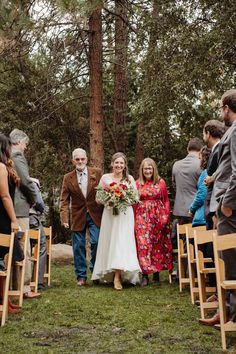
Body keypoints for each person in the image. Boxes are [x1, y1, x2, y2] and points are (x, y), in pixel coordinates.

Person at [199, 89, 236, 326]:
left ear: (226, 108)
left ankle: (233, 316)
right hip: (227, 205)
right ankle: (228, 311)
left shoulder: (235, 132)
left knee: (230, 260)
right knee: (227, 260)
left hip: (230, 208)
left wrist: (226, 204)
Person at [92, 152, 141, 290]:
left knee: (122, 243)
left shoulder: (129, 179)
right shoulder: (105, 178)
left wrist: (123, 197)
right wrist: (110, 198)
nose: (119, 165)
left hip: (125, 215)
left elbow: (135, 198)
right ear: (112, 164)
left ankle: (118, 276)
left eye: (121, 163)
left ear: (125, 165)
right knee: (110, 242)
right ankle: (110, 273)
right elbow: (98, 198)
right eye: (116, 162)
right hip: (110, 215)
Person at [60, 148, 103, 286]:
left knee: (96, 242)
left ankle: (96, 272)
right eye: (77, 159)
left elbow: (104, 192)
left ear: (86, 159)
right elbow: (64, 200)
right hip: (77, 215)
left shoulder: (97, 173)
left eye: (82, 159)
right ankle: (81, 276)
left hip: (95, 213)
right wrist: (64, 218)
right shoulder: (68, 177)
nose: (80, 161)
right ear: (73, 161)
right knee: (78, 246)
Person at [10, 128, 40, 299]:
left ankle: (14, 285)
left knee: (14, 247)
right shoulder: (17, 155)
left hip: (12, 207)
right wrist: (34, 199)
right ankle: (24, 288)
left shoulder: (6, 154)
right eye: (26, 144)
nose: (26, 147)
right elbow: (25, 181)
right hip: (19, 208)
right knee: (24, 246)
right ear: (19, 142)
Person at [135, 158, 172, 287]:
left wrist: (166, 216)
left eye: (150, 168)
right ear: (142, 170)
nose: (148, 171)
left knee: (157, 243)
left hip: (158, 216)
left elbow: (166, 200)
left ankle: (156, 272)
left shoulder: (160, 182)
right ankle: (145, 274)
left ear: (154, 169)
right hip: (142, 217)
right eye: (145, 169)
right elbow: (134, 202)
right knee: (143, 243)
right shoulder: (137, 183)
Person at [0, 132, 21, 313]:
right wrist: (14, 220)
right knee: (3, 258)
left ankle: (5, 299)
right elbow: (5, 196)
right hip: (3, 218)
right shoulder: (0, 167)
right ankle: (3, 301)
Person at [171, 138, 203, 248]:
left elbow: (175, 186)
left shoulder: (176, 165)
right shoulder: (201, 164)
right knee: (196, 242)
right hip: (196, 210)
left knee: (182, 243)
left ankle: (184, 264)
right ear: (201, 150)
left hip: (179, 209)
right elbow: (203, 189)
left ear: (187, 149)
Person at [203, 120, 225, 230]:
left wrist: (212, 178)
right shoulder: (215, 150)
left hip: (216, 204)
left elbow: (224, 171)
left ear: (208, 133)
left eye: (203, 133)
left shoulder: (219, 150)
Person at [29, 178, 47, 290]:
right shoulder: (33, 183)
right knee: (41, 245)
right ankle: (38, 281)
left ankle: (17, 281)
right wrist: (41, 210)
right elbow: (39, 202)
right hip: (31, 217)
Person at [188, 146, 211, 227]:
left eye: (200, 157)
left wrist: (191, 209)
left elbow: (201, 195)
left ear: (203, 158)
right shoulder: (214, 172)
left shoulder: (205, 173)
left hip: (202, 217)